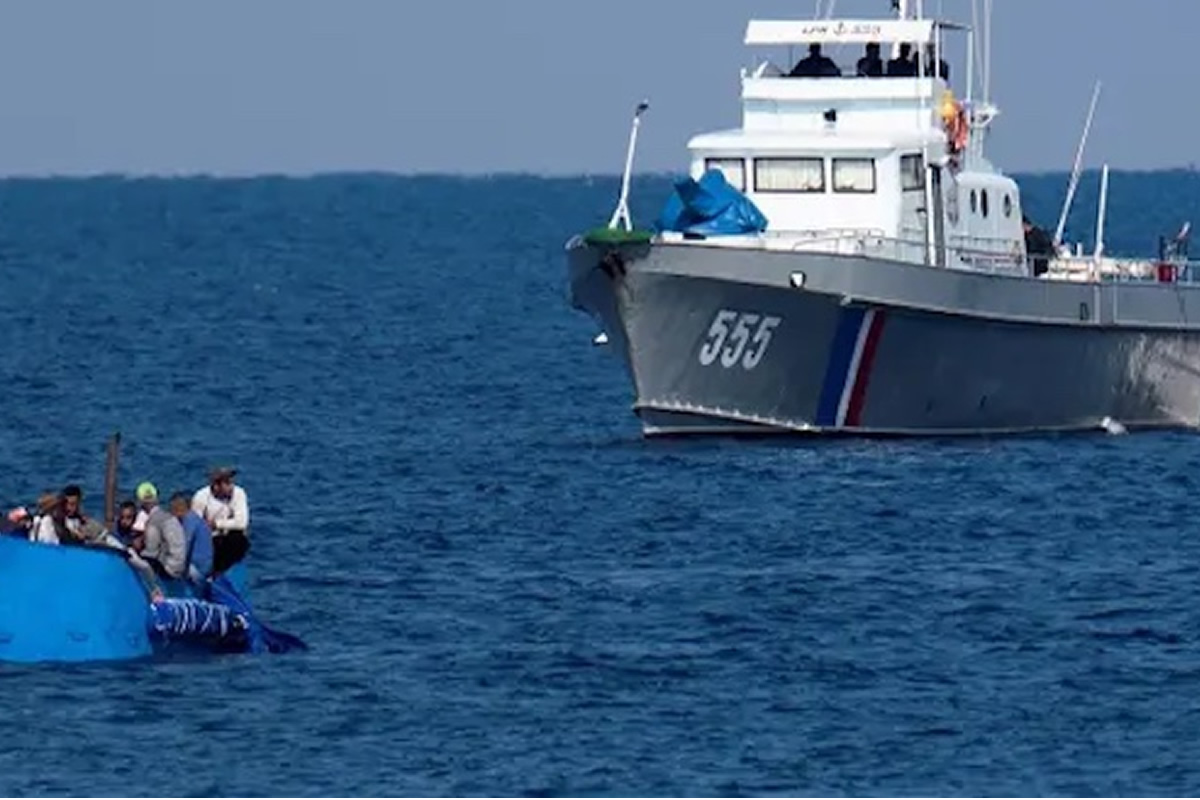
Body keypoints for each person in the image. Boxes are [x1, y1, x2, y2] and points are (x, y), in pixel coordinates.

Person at [192, 466, 250, 574]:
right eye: (227, 483)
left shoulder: (239, 493)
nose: (231, 486)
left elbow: (242, 522)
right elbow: (195, 525)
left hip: (230, 537)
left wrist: (216, 524)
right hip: (210, 539)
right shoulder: (201, 497)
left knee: (239, 538)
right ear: (216, 485)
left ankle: (227, 571)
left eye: (231, 482)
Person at [137, 482, 188, 580]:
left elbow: (151, 550)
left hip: (168, 569)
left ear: (141, 503)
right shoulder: (168, 517)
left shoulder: (153, 522)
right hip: (180, 567)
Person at [169, 491, 213, 586]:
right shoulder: (195, 519)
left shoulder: (189, 520)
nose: (171, 511)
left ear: (181, 507)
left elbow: (184, 545)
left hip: (197, 568)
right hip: (205, 566)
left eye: (173, 508)